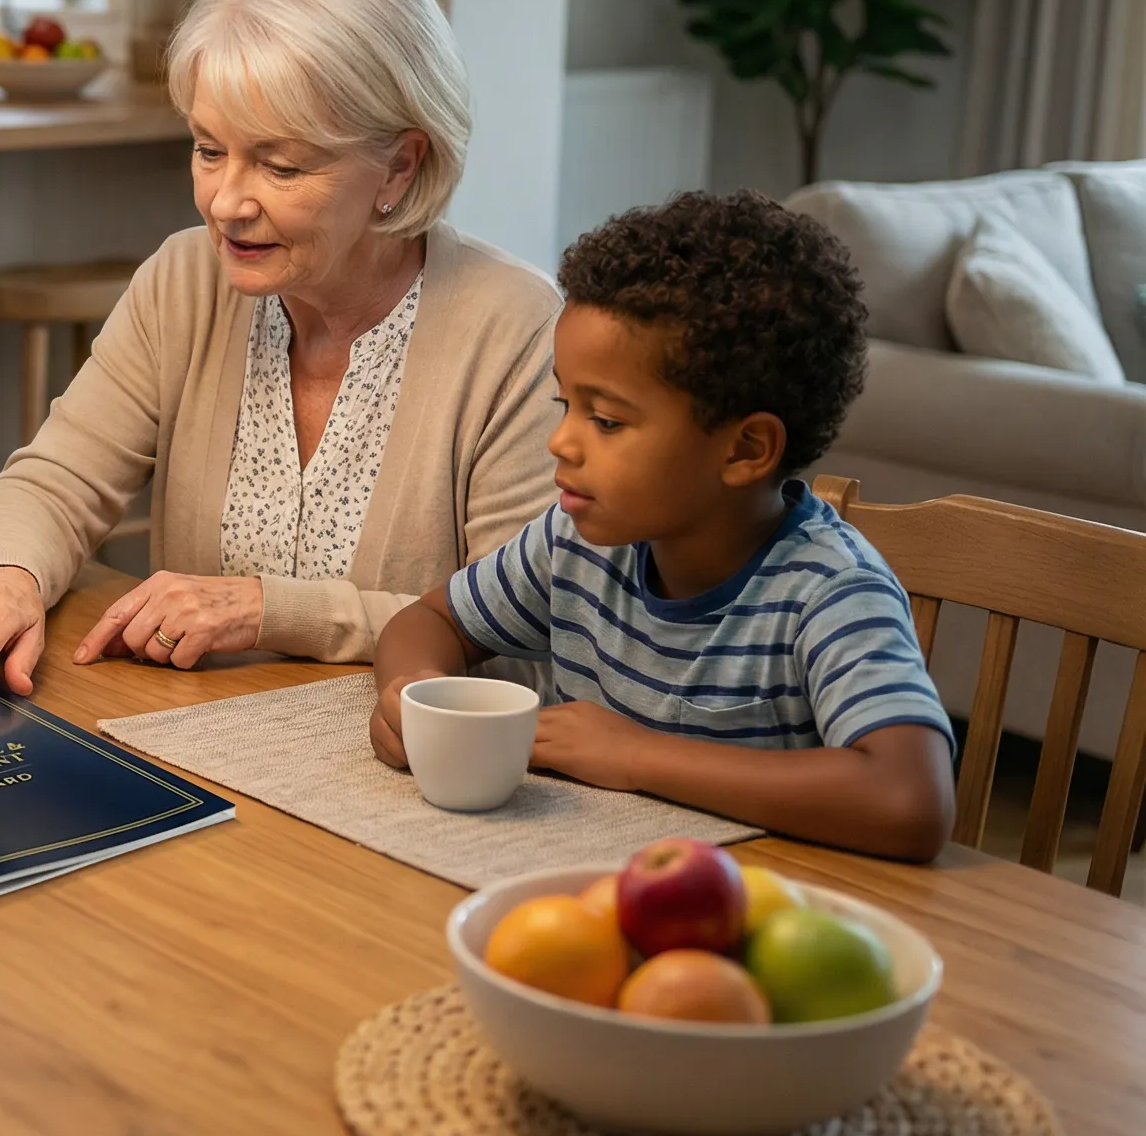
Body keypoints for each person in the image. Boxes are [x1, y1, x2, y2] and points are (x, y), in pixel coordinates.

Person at [0, 0, 561, 706]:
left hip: (398, 773)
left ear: (401, 165)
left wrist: (268, 610)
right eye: (208, 150)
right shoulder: (183, 280)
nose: (226, 203)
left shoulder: (516, 326)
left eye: (281, 165)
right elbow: (54, 483)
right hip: (191, 737)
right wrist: (5, 582)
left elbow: (523, 636)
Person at [370, 192, 956, 861]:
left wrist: (637, 756)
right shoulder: (577, 544)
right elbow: (431, 622)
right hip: (584, 875)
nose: (561, 441)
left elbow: (910, 800)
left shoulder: (829, 591)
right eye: (566, 404)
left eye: (608, 421)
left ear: (744, 451)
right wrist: (412, 697)